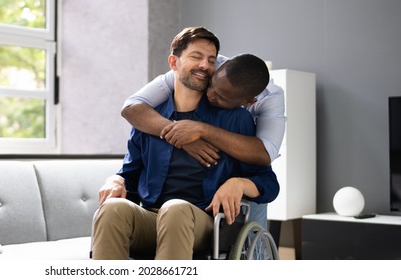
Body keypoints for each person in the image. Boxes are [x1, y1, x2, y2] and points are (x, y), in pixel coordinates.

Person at [91, 27, 279, 260]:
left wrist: (239, 183)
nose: (204, 65)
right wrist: (115, 179)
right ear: (173, 62)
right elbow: (129, 174)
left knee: (176, 208)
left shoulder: (235, 118)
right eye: (196, 57)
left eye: (211, 60)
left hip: (203, 222)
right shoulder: (149, 118)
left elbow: (268, 182)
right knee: (112, 210)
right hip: (151, 217)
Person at [121, 50, 285, 168]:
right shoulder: (206, 68)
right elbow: (131, 107)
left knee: (254, 199)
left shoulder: (271, 98)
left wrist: (202, 130)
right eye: (211, 84)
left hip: (245, 172)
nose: (209, 94)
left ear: (249, 102)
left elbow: (265, 154)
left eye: (221, 97)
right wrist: (183, 138)